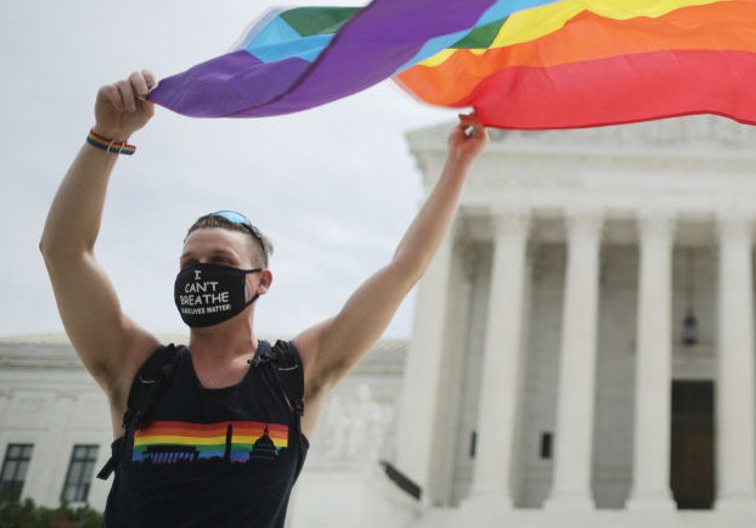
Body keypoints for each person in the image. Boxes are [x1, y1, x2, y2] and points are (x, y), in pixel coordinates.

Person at [39, 69, 486, 526]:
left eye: (220, 260)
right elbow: (65, 252)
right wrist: (107, 138)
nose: (201, 272)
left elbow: (403, 270)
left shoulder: (294, 378)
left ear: (262, 281)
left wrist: (456, 167)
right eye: (189, 263)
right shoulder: (138, 371)